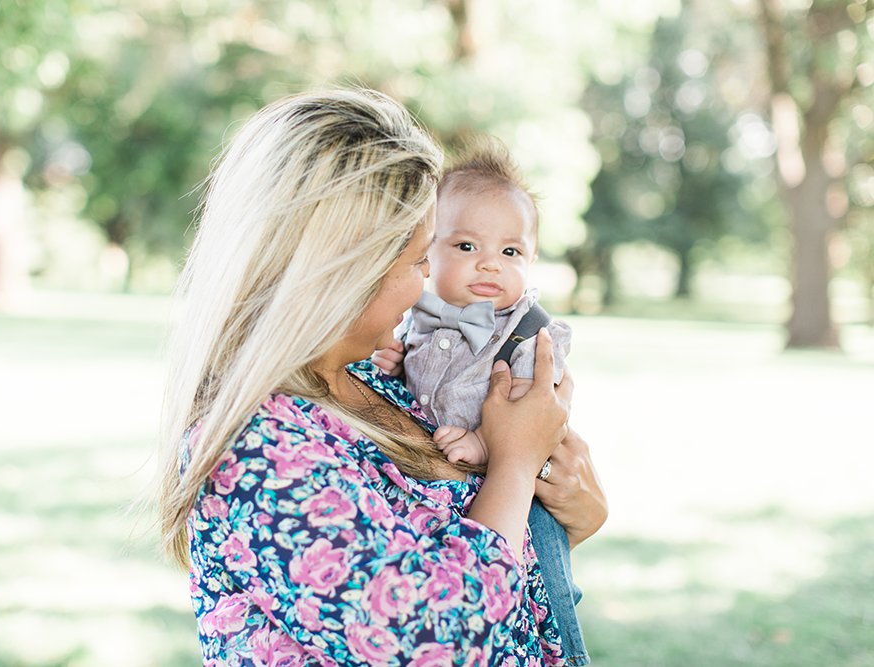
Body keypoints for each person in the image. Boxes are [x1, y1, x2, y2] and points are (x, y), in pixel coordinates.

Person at [155, 88, 608, 666]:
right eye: (422, 259)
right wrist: (518, 464)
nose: (427, 285)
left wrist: (571, 510)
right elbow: (439, 640)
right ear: (345, 269)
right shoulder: (258, 449)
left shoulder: (379, 380)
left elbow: (486, 551)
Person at [371, 140, 591, 665]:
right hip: (462, 501)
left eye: (510, 252)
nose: (490, 264)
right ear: (428, 252)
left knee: (549, 597)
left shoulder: (529, 337)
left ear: (531, 259)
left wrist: (481, 442)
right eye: (467, 247)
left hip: (525, 500)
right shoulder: (415, 319)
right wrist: (397, 364)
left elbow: (535, 419)